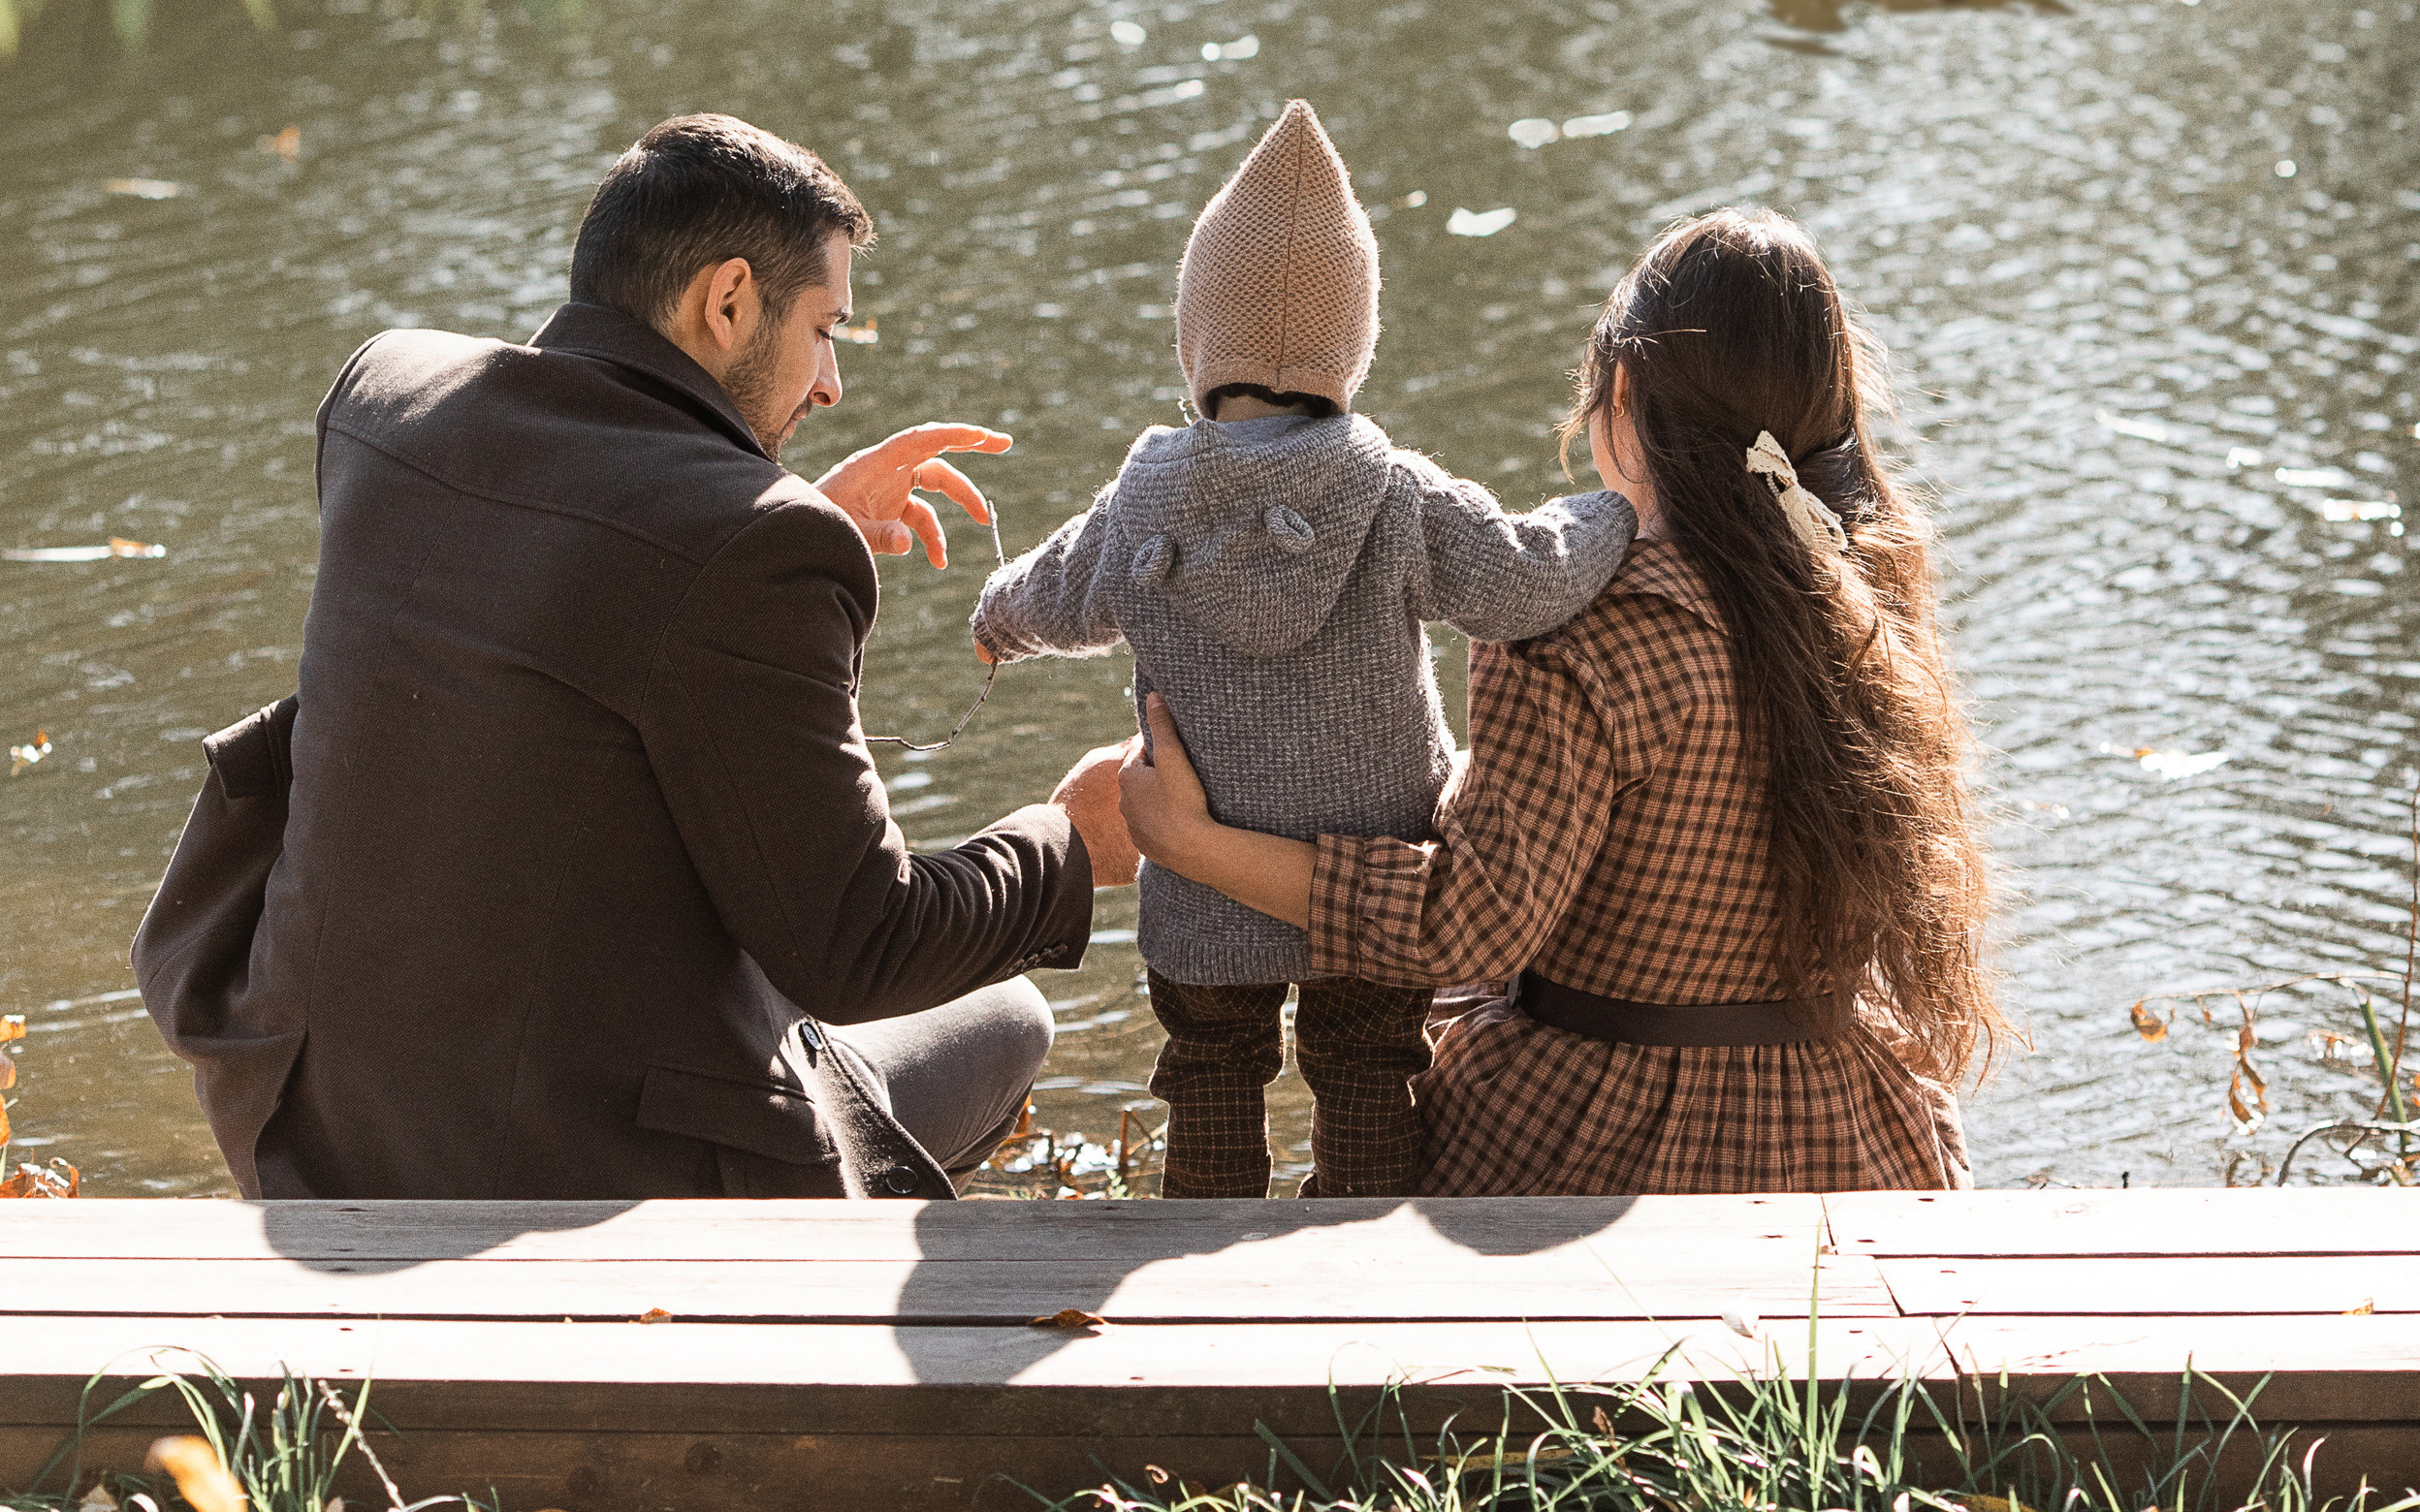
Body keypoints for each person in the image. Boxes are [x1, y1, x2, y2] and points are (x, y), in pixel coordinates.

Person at [135, 113, 1135, 1200]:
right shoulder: (752, 550)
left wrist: (780, 516)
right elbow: (862, 947)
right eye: (825, 328)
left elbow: (562, 581)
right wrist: (1075, 842)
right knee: (1010, 1019)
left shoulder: (387, 398)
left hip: (312, 1129)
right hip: (571, 1178)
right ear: (728, 300)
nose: (831, 382)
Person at [1119, 205, 2000, 1195]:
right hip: (1834, 1131)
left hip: (1598, 1135)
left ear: (1621, 391)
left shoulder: (1577, 621)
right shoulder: (1859, 592)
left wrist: (1195, 843)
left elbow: (1467, 922)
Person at [970, 101, 1635, 1199]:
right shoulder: (1393, 493)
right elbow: (1524, 581)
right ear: (1352, 346)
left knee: (1210, 1076)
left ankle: (1205, 1264)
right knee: (1370, 1074)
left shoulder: (1144, 498)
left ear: (1195, 334)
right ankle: (1360, 1272)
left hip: (1200, 886)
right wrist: (1614, 512)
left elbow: (1057, 592)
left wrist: (996, 616)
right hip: (1367, 879)